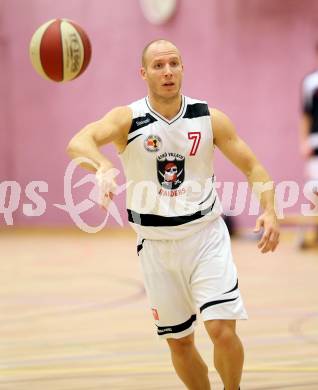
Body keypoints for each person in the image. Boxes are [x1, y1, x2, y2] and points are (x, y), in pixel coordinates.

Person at [67, 39, 280, 390]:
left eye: (174, 64)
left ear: (182, 68)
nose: (168, 71)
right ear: (144, 72)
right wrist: (102, 166)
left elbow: (253, 166)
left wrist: (270, 210)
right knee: (180, 342)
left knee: (222, 331)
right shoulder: (128, 118)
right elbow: (79, 141)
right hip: (156, 246)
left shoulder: (209, 117)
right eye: (158, 65)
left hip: (205, 238)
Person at [300, 49, 318, 248]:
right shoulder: (311, 82)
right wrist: (303, 142)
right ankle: (314, 235)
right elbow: (305, 114)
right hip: (315, 143)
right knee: (314, 190)